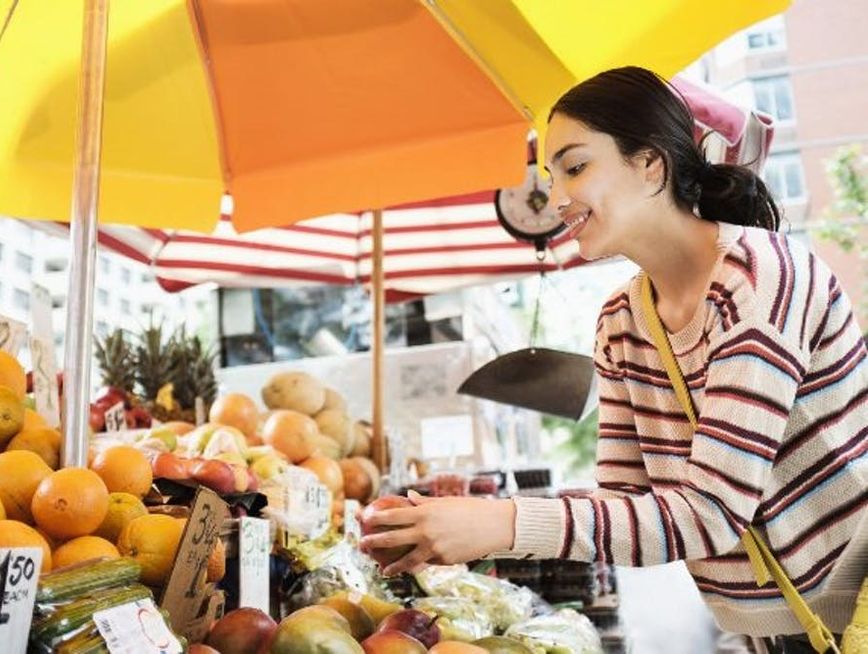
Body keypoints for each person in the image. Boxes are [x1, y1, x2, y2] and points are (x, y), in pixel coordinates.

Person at [360, 67, 868, 651]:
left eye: (575, 168)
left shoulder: (761, 278)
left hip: (851, 607)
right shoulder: (622, 320)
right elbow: (622, 505)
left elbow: (710, 514)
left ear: (651, 164)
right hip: (773, 630)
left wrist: (500, 523)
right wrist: (477, 524)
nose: (556, 199)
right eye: (552, 177)